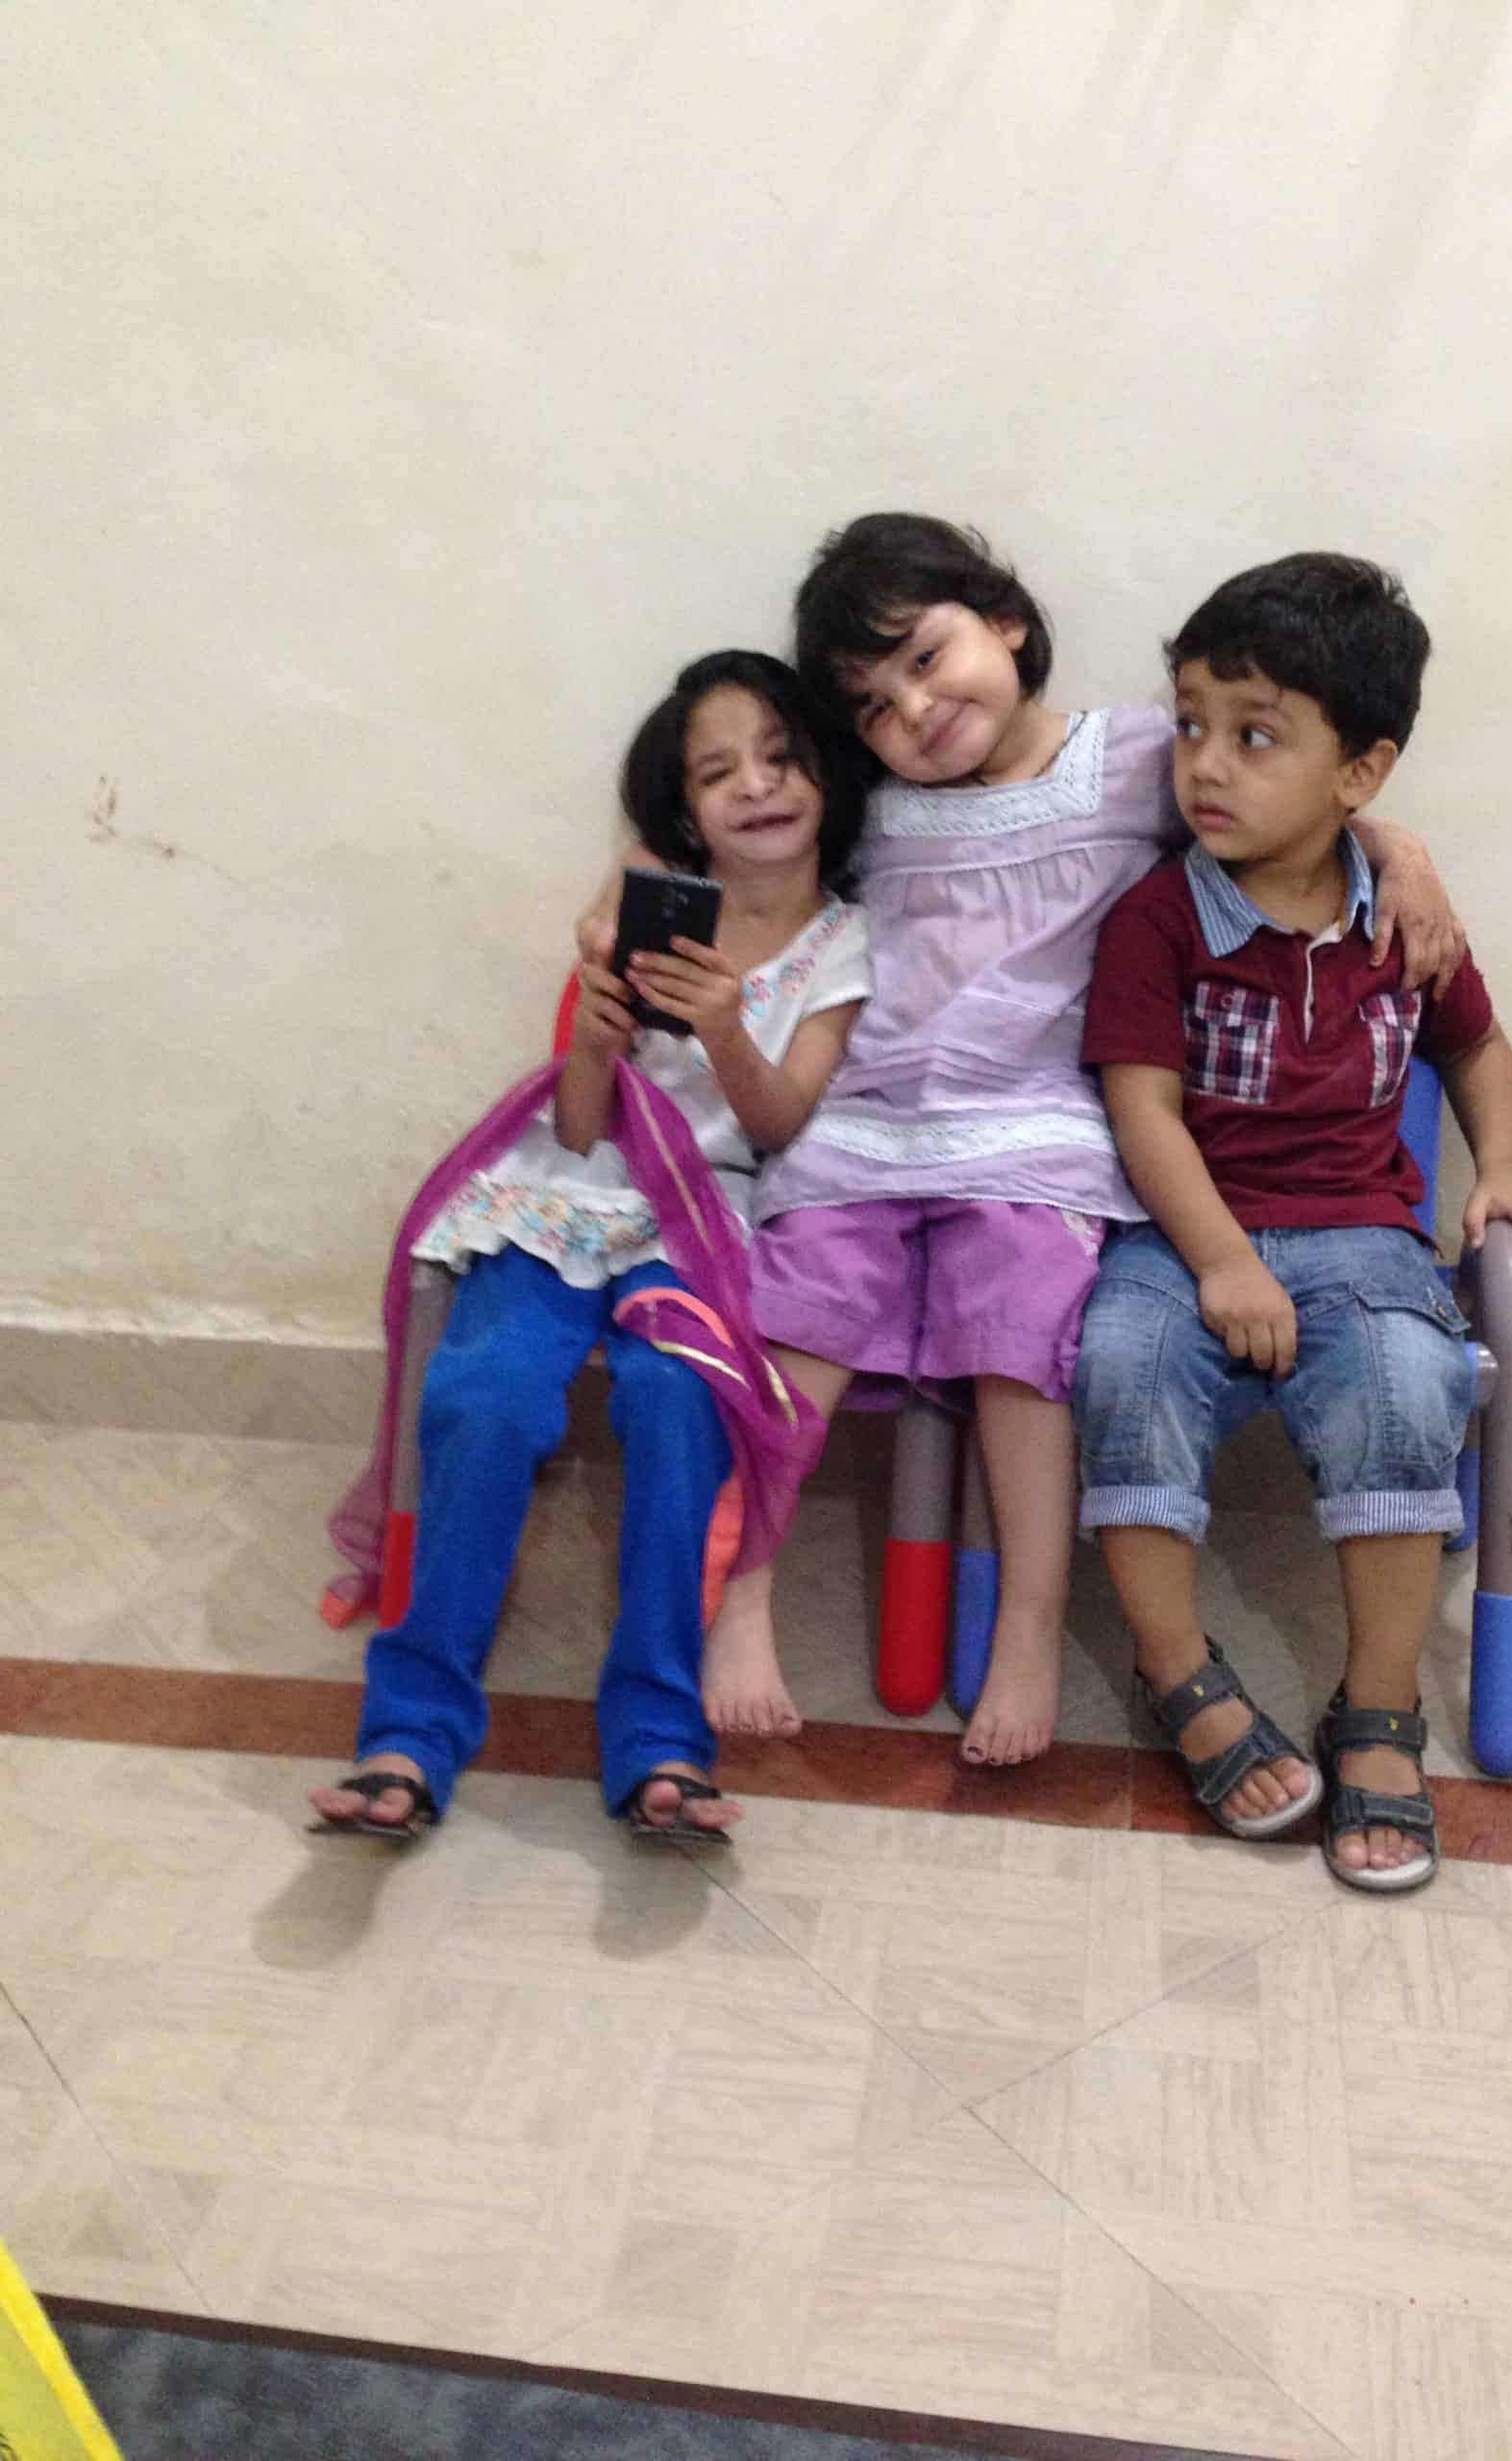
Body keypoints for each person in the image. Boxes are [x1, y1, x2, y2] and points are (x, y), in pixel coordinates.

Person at [581, 515, 1463, 1770]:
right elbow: (706, 835)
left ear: (1003, 618)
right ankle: (746, 1593)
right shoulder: (872, 808)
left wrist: (1401, 847)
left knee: (1028, 1340)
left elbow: (1289, 798)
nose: (915, 711)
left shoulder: (1135, 758)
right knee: (795, 1325)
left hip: (1037, 1134)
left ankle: (1034, 1627)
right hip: (865, 1130)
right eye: (875, 704)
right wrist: (624, 878)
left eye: (928, 658)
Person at [309, 652, 871, 1844]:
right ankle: (410, 1728)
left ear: (827, 773)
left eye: (779, 758)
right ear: (680, 800)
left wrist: (723, 1029)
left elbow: (773, 1126)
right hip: (569, 1191)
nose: (756, 787)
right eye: (718, 771)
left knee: (678, 1400)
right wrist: (597, 1043)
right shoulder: (649, 893)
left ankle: (661, 1735)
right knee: (484, 1391)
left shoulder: (844, 949)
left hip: (701, 1211)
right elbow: (575, 1124)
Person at [1074, 553, 1512, 1892]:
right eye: (1190, 727)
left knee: (1413, 1378)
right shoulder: (1160, 920)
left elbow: (1482, 1053)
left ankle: (1380, 1708)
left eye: (1254, 736)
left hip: (1364, 1242)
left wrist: (1504, 1168)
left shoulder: (1402, 923)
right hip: (1185, 1238)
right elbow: (1145, 1114)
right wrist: (1221, 1260)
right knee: (1120, 1365)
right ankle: (1177, 1671)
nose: (1206, 767)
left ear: (1362, 773)